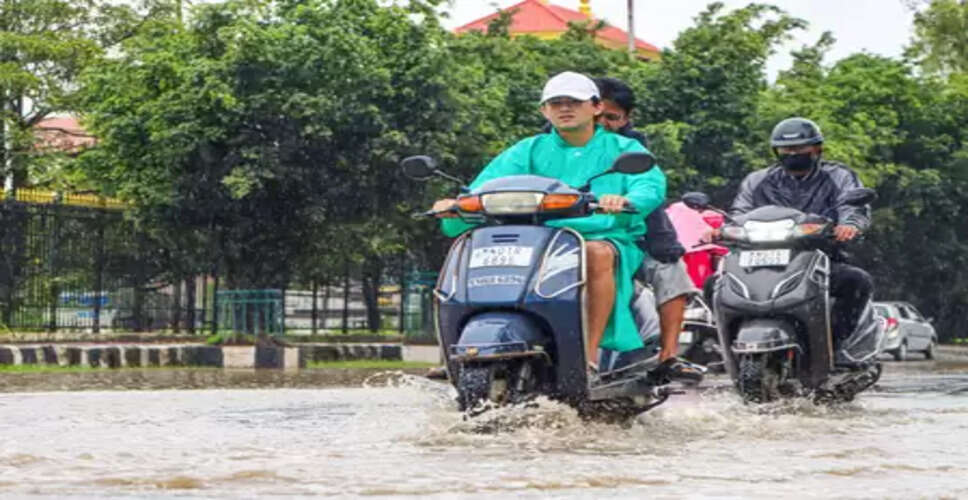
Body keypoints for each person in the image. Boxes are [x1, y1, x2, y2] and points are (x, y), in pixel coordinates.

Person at [430, 71, 666, 372]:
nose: (564, 108)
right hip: (535, 238)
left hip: (600, 236)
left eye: (574, 102)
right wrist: (455, 204)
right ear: (544, 110)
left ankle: (588, 357)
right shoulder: (527, 149)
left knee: (595, 254)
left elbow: (649, 186)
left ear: (595, 107)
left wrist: (624, 201)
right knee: (475, 251)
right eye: (556, 103)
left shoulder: (624, 149)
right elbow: (483, 187)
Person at [707, 117, 873, 346]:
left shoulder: (839, 176)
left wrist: (850, 225)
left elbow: (853, 207)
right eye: (786, 148)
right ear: (776, 151)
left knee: (856, 281)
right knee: (713, 284)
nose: (792, 153)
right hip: (756, 261)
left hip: (819, 257)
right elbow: (739, 214)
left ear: (817, 149)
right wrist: (720, 231)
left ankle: (835, 345)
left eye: (799, 148)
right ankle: (724, 343)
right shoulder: (757, 180)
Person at [592, 77, 704, 383]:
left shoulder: (632, 149)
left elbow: (648, 190)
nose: (603, 124)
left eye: (612, 118)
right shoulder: (544, 145)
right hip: (568, 233)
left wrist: (627, 202)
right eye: (597, 115)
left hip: (633, 229)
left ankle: (668, 356)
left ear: (627, 119)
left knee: (671, 270)